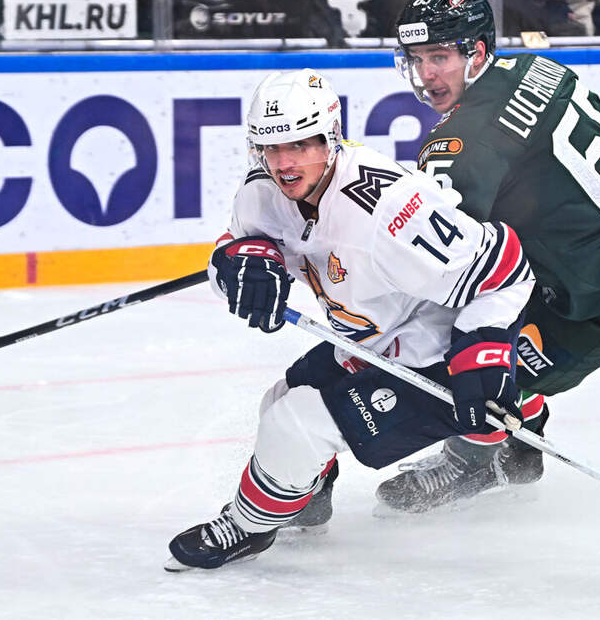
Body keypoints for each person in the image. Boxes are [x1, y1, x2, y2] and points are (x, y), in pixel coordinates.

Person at [164, 68, 535, 571]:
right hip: (374, 339)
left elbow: (506, 271)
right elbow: (234, 247)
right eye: (271, 147)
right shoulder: (262, 191)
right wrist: (239, 262)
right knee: (282, 399)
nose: (284, 163)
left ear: (330, 137)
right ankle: (305, 499)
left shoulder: (391, 209)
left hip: (441, 353)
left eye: (299, 145)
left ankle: (248, 526)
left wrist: (483, 353)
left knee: (296, 427)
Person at [355, 0, 600, 515]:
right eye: (417, 59)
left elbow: (444, 266)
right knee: (507, 307)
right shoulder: (538, 67)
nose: (426, 75)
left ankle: (477, 460)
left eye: (440, 57)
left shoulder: (459, 146)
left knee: (464, 356)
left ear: (477, 51)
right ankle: (520, 445)